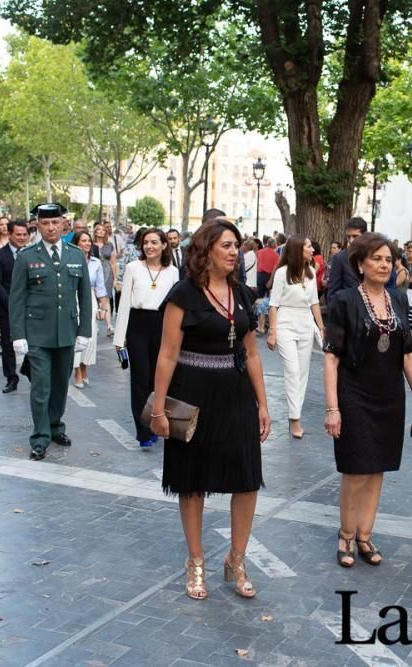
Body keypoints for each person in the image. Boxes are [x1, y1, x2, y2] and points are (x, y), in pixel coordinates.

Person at [150, 219, 270, 599]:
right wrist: (158, 409)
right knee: (192, 481)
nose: (235, 251)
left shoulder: (244, 294)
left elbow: (251, 352)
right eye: (227, 245)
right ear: (207, 251)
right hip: (192, 395)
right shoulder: (183, 294)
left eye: (236, 245)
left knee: (247, 479)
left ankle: (237, 558)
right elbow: (167, 354)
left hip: (235, 395)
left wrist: (263, 404)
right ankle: (196, 561)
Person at [324, 232, 412, 567]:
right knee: (356, 469)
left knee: (377, 469)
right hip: (354, 393)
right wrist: (332, 408)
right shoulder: (344, 301)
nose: (385, 265)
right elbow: (331, 358)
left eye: (389, 259)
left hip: (389, 396)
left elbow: (408, 355)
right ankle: (345, 535)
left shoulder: (400, 300)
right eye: (377, 259)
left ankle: (365, 535)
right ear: (360, 263)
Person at [10, 203, 92, 461]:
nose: (51, 227)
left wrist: (84, 331)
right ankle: (40, 436)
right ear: (38, 225)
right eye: (45, 223)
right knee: (41, 387)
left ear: (63, 223)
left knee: (60, 385)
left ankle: (56, 426)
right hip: (37, 333)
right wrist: (18, 335)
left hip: (66, 331)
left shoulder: (76, 255)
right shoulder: (26, 256)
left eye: (55, 222)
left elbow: (84, 297)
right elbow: (17, 299)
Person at [114, 228, 179, 447]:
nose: (149, 246)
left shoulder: (172, 272)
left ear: (163, 245)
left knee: (158, 379)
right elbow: (124, 304)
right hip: (137, 324)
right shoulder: (133, 268)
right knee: (140, 379)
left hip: (162, 325)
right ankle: (143, 431)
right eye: (145, 243)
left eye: (154, 242)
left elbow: (175, 306)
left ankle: (156, 422)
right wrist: (119, 337)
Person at [267, 236, 325, 439]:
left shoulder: (311, 272)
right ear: (297, 250)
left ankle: (296, 413)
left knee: (302, 373)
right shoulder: (282, 273)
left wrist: (321, 326)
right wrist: (272, 331)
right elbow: (273, 304)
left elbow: (314, 302)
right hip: (285, 324)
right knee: (292, 371)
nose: (312, 249)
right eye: (309, 246)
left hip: (305, 323)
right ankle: (294, 419)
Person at [0, 220, 30, 393]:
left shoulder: (32, 254)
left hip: (30, 308)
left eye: (24, 235)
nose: (21, 238)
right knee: (8, 345)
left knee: (34, 342)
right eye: (18, 234)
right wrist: (11, 302)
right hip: (6, 307)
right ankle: (11, 378)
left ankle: (29, 370)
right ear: (10, 234)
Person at [71, 230, 111, 388]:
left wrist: (104, 307)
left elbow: (100, 287)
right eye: (83, 241)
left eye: (89, 241)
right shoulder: (70, 260)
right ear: (76, 243)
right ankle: (77, 372)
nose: (87, 243)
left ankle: (84, 366)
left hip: (90, 299)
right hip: (72, 298)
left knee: (91, 335)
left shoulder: (96, 262)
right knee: (75, 336)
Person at [326, 217, 368, 303]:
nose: (351, 240)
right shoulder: (340, 258)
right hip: (349, 311)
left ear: (365, 235)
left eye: (355, 236)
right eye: (348, 237)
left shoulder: (373, 256)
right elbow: (332, 293)